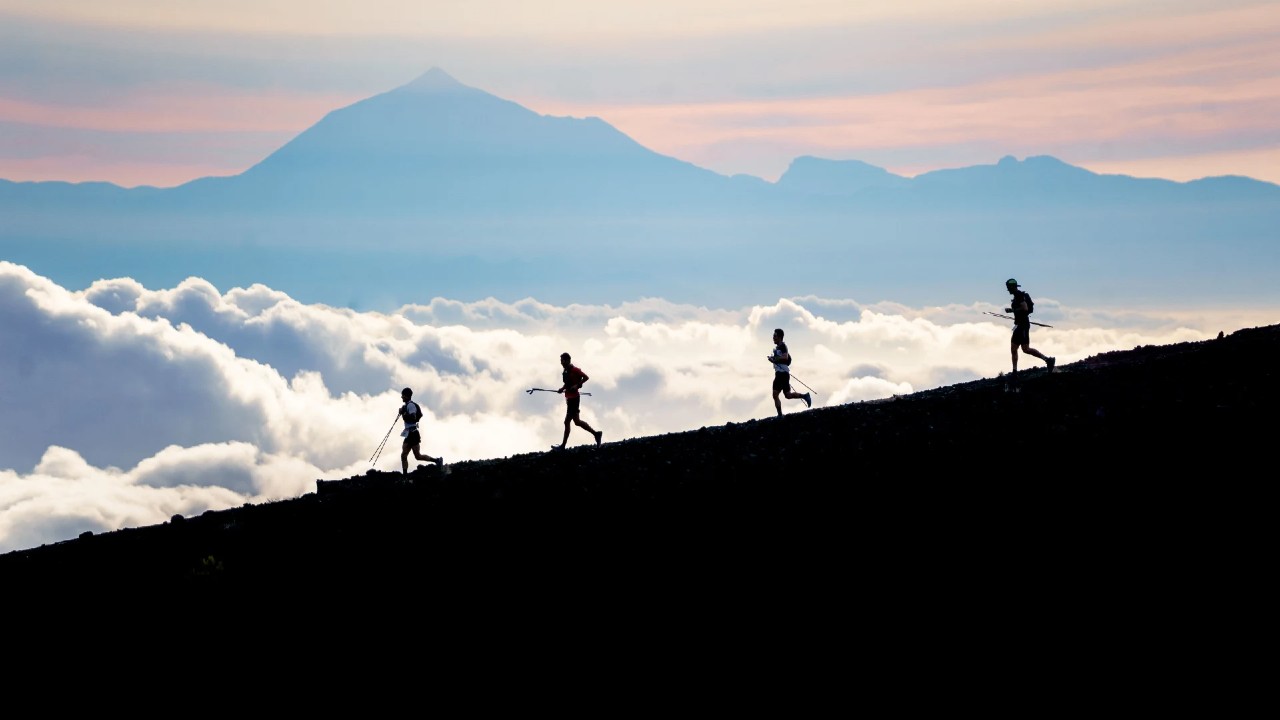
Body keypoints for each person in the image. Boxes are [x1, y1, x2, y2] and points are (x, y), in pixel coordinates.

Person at [1005, 278, 1055, 377]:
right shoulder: (1017, 296)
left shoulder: (1019, 296)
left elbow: (1025, 308)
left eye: (1008, 287)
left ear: (1012, 287)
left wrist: (1012, 310)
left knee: (1025, 349)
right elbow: (1023, 309)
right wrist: (1012, 310)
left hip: (1023, 325)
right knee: (1014, 348)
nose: (1008, 290)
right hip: (1019, 325)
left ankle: (1048, 360)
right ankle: (1015, 372)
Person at [553, 352, 603, 449]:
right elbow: (567, 384)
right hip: (569, 399)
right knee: (577, 422)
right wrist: (562, 389)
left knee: (566, 422)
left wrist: (577, 385)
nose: (561, 363)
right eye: (561, 361)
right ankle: (596, 434)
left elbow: (586, 377)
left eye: (562, 360)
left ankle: (563, 446)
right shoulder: (565, 371)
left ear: (568, 360)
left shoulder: (575, 370)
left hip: (574, 399)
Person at [398, 387, 443, 473]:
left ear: (406, 396)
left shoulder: (410, 405)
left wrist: (403, 413)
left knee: (417, 456)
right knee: (403, 455)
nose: (401, 397)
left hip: (413, 433)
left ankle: (437, 461)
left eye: (403, 395)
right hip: (408, 433)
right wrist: (403, 411)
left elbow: (413, 417)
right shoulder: (406, 406)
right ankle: (405, 475)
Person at [768, 328, 811, 417]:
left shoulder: (782, 346)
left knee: (775, 394)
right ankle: (805, 396)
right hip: (783, 373)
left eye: (775, 336)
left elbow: (785, 357)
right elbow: (782, 359)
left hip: (781, 374)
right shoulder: (779, 347)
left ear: (779, 337)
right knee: (787, 395)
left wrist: (774, 359)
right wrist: (772, 360)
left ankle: (780, 415)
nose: (773, 337)